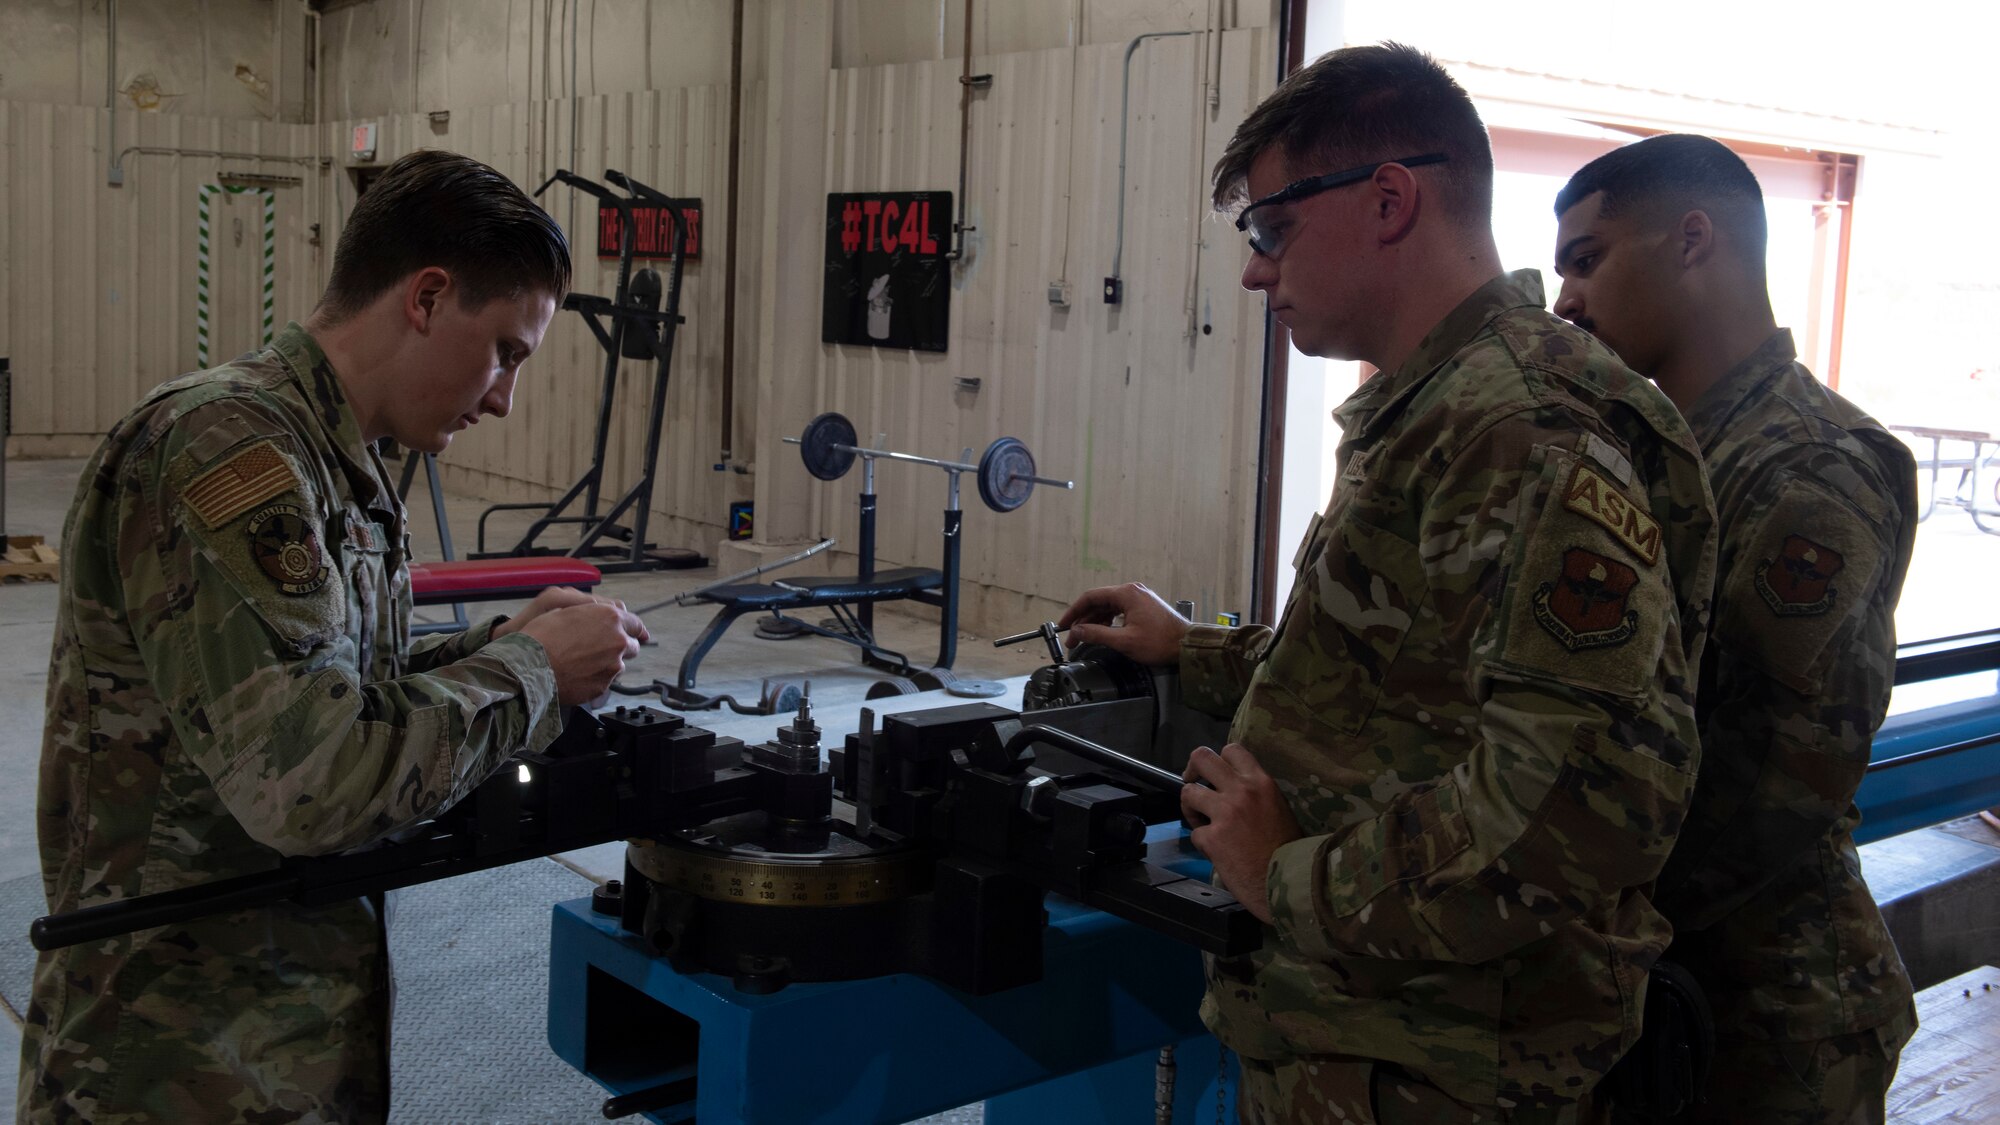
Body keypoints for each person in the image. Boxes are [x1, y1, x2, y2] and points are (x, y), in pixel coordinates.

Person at [1060, 44, 1719, 1123]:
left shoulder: (1519, 426)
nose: (1253, 270)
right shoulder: (1446, 407)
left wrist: (1285, 878)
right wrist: (1196, 648)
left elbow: (1574, 812)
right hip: (1370, 1036)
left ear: (1386, 200)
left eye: (1271, 229)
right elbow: (1409, 679)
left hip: (1435, 1065)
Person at [19, 149, 649, 1124]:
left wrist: (498, 645)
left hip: (269, 1039)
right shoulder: (231, 450)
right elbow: (309, 781)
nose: (502, 398)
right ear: (428, 298)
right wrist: (526, 673)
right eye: (506, 353)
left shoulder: (325, 461)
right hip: (175, 1066)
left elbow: (334, 687)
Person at [1551, 133, 1917, 1124]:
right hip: (1663, 992)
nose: (1564, 302)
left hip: (1770, 1024)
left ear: (1692, 241)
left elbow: (1778, 774)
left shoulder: (1807, 463)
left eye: (1586, 260)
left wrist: (1565, 908)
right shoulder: (1659, 456)